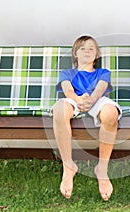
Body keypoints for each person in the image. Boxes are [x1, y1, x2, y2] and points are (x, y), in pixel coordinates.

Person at [52, 35, 122, 201]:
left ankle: (102, 168)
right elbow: (68, 90)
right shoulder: (67, 73)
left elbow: (100, 88)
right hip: (75, 99)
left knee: (111, 113)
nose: (87, 51)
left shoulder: (102, 73)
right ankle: (68, 166)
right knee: (59, 109)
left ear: (97, 54)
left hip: (96, 100)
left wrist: (91, 99)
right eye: (82, 48)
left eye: (91, 48)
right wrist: (79, 100)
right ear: (75, 54)